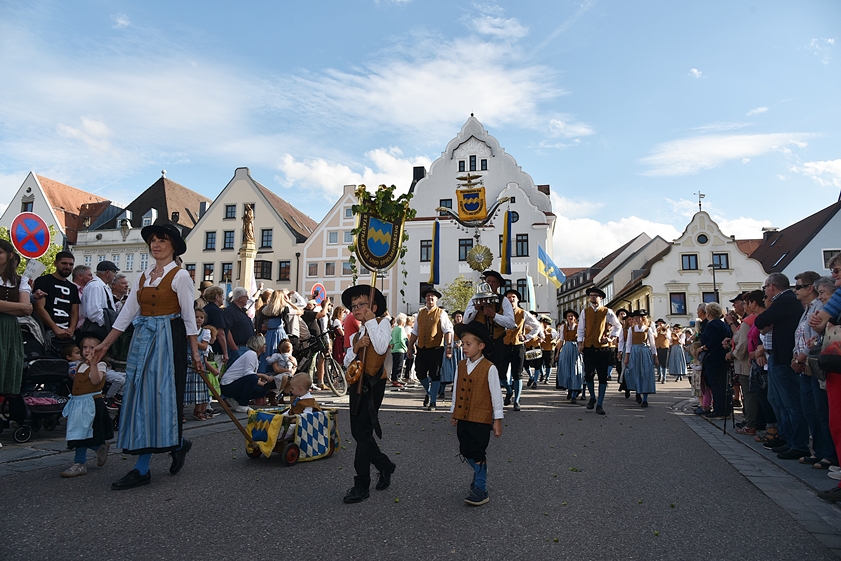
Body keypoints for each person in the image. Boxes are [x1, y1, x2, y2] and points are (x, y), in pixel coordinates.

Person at [90, 223, 200, 491]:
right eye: (153, 240)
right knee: (139, 396)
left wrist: (195, 352)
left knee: (158, 399)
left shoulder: (180, 276)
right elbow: (127, 314)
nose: (156, 245)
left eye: (162, 240)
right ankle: (175, 445)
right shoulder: (143, 275)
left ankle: (143, 467)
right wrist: (105, 345)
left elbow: (189, 317)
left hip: (167, 341)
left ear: (173, 246)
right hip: (143, 340)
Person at [341, 284, 395, 504]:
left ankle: (361, 484)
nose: (355, 308)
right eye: (353, 306)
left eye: (360, 304)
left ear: (373, 307)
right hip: (356, 385)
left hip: (372, 386)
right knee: (358, 432)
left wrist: (372, 322)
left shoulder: (383, 323)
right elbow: (347, 361)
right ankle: (384, 465)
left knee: (363, 433)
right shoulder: (357, 333)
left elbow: (381, 348)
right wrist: (356, 348)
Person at [754, 273, 811, 460]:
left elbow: (760, 321)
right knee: (779, 402)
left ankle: (798, 444)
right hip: (779, 357)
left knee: (791, 404)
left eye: (765, 288)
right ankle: (788, 438)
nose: (765, 291)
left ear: (772, 286)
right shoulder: (785, 301)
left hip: (785, 358)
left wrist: (770, 320)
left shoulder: (784, 299)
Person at [449, 320, 503, 506]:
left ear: (481, 346)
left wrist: (497, 419)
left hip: (481, 418)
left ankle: (481, 487)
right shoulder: (461, 365)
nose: (464, 347)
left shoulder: (489, 367)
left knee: (478, 451)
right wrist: (454, 411)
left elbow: (496, 395)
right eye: (463, 344)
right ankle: (481, 470)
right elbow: (457, 388)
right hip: (463, 415)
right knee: (465, 449)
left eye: (468, 344)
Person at [59, 333, 114, 477]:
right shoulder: (80, 364)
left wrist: (93, 364)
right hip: (78, 403)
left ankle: (80, 463)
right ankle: (98, 447)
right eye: (85, 347)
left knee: (84, 433)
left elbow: (96, 381)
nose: (88, 350)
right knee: (79, 432)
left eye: (92, 347)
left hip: (91, 403)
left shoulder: (100, 365)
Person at [463, 270, 516, 404]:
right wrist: (476, 308)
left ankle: (492, 402)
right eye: (488, 281)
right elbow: (466, 320)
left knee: (493, 373)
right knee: (477, 372)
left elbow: (511, 323)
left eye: (493, 282)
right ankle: (478, 400)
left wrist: (494, 315)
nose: (490, 284)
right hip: (478, 344)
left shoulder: (503, 300)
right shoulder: (475, 298)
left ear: (498, 285)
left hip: (496, 343)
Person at [577, 287, 623, 414]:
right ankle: (592, 397)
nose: (592, 297)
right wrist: (580, 343)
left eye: (595, 295)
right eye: (591, 295)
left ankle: (600, 404)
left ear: (600, 298)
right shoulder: (585, 312)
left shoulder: (607, 311)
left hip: (603, 348)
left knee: (602, 376)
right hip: (589, 347)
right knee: (588, 374)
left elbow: (618, 326)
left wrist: (610, 338)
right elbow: (580, 329)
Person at [408, 287, 454, 410]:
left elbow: (447, 331)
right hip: (422, 347)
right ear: (425, 298)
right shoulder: (420, 313)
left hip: (436, 348)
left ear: (436, 299)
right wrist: (410, 347)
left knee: (435, 374)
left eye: (432, 296)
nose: (430, 298)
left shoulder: (441, 313)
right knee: (420, 372)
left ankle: (433, 401)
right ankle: (428, 392)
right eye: (428, 296)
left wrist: (449, 347)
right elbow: (415, 331)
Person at [0, 240, 32, 393]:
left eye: (0, 253)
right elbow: (23, 307)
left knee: (6, 362)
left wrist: (6, 307)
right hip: (8, 323)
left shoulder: (20, 280)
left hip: (9, 328)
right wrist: (19, 306)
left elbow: (26, 310)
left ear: (10, 255)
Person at [32, 250, 77, 355]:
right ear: (55, 263)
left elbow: (75, 311)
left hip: (67, 337)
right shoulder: (43, 281)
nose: (67, 267)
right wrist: (55, 328)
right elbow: (39, 308)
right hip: (45, 334)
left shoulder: (73, 287)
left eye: (71, 264)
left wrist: (71, 329)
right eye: (64, 263)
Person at [220, 334, 273, 412]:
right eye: (264, 344)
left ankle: (236, 399)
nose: (265, 346)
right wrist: (263, 375)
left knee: (262, 391)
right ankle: (243, 404)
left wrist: (266, 386)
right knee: (253, 378)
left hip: (235, 383)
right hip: (228, 385)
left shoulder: (254, 356)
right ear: (259, 345)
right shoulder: (251, 354)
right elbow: (249, 374)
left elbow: (250, 377)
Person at [623, 309, 658, 408]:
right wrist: (627, 357)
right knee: (636, 373)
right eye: (635, 317)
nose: (637, 319)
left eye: (639, 317)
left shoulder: (648, 329)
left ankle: (645, 399)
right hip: (634, 352)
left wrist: (655, 357)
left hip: (645, 352)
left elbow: (652, 345)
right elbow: (629, 344)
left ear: (643, 318)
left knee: (645, 373)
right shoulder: (631, 329)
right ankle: (638, 393)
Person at [185, 308, 213, 421]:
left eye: (201, 317)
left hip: (199, 359)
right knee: (185, 385)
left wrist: (193, 340)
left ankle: (198, 410)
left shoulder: (205, 332)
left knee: (200, 386)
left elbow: (204, 347)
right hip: (186, 358)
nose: (199, 319)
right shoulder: (186, 329)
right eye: (196, 317)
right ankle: (181, 411)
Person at [80, 260, 119, 338]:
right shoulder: (95, 286)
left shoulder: (102, 286)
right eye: (114, 272)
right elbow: (94, 313)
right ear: (107, 272)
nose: (115, 276)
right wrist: (108, 323)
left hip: (99, 326)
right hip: (96, 327)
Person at [256, 290, 289, 373]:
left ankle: (265, 372)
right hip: (280, 334)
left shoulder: (265, 309)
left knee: (267, 353)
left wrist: (261, 333)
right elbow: (287, 322)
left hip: (269, 334)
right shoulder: (283, 309)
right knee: (281, 353)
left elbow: (259, 324)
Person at [557, 310, 584, 402]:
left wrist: (581, 348)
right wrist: (558, 352)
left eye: (572, 316)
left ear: (575, 318)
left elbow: (581, 339)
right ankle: (570, 388)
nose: (570, 317)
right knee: (566, 369)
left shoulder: (578, 327)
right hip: (566, 348)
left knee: (576, 369)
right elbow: (561, 340)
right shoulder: (563, 327)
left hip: (576, 348)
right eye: (568, 316)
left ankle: (575, 392)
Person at [225, 287, 255, 365]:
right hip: (238, 347)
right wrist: (234, 348)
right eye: (246, 297)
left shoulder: (241, 310)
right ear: (240, 298)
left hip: (245, 347)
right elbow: (227, 330)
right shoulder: (230, 311)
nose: (248, 299)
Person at [202, 285, 230, 365]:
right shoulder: (217, 311)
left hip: (206, 347)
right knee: (215, 371)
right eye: (222, 296)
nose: (223, 299)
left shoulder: (205, 309)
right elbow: (220, 334)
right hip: (216, 349)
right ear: (217, 297)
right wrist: (225, 352)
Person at [266, 338, 297, 403]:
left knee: (294, 380)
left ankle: (281, 395)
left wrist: (294, 365)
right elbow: (276, 369)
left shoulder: (291, 358)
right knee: (285, 378)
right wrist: (289, 370)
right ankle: (274, 394)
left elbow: (294, 369)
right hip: (277, 376)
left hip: (287, 375)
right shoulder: (277, 356)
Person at [390, 314, 408, 388]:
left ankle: (394, 379)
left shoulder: (394, 328)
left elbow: (391, 338)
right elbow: (401, 340)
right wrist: (405, 348)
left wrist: (391, 344)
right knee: (399, 365)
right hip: (400, 349)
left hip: (394, 348)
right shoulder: (401, 329)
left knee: (395, 365)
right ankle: (396, 380)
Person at [654, 319, 670, 383]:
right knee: (658, 362)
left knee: (664, 363)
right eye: (658, 323)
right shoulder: (656, 330)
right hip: (657, 346)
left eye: (661, 323)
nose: (660, 324)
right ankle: (660, 374)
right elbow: (654, 337)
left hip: (664, 347)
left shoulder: (667, 330)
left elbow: (669, 337)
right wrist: (656, 331)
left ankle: (664, 377)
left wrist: (665, 332)